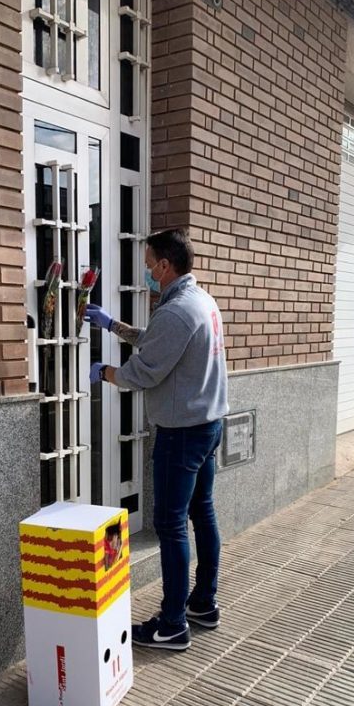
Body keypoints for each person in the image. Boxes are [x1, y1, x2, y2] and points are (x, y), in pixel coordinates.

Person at [86, 228, 228, 651]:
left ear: (166, 266)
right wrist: (115, 327)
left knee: (170, 524)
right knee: (202, 512)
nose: (147, 273)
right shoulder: (200, 301)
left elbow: (145, 371)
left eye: (149, 266)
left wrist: (106, 373)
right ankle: (203, 603)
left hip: (183, 432)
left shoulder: (177, 311)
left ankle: (172, 625)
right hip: (207, 424)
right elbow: (159, 343)